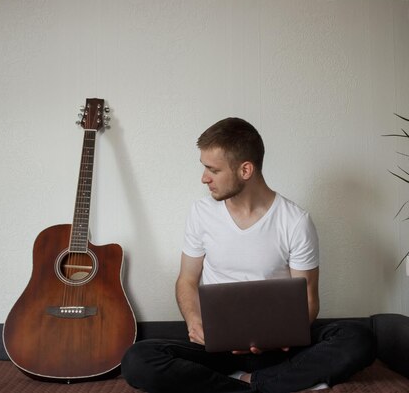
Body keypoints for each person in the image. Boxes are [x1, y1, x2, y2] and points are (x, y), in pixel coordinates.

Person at [122, 117, 375, 393]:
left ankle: (251, 383)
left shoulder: (295, 221)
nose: (204, 178)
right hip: (217, 349)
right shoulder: (201, 213)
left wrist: (275, 335)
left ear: (245, 170)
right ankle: (267, 385)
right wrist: (195, 322)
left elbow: (309, 301)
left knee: (359, 338)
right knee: (137, 359)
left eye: (212, 169)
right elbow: (187, 280)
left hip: (278, 348)